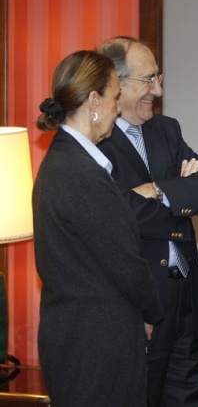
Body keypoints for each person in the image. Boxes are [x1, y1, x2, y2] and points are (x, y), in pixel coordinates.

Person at [96, 37, 198, 406]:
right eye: (149, 80)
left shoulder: (166, 130)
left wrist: (155, 189)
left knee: (189, 395)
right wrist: (181, 191)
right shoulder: (96, 141)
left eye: (159, 77)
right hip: (140, 306)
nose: (159, 90)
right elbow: (119, 214)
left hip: (184, 293)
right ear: (115, 84)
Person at [33, 50, 165, 406]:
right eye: (114, 98)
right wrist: (153, 312)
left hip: (79, 337)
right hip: (96, 345)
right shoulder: (80, 172)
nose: (118, 109)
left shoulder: (63, 160)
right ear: (94, 101)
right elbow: (125, 262)